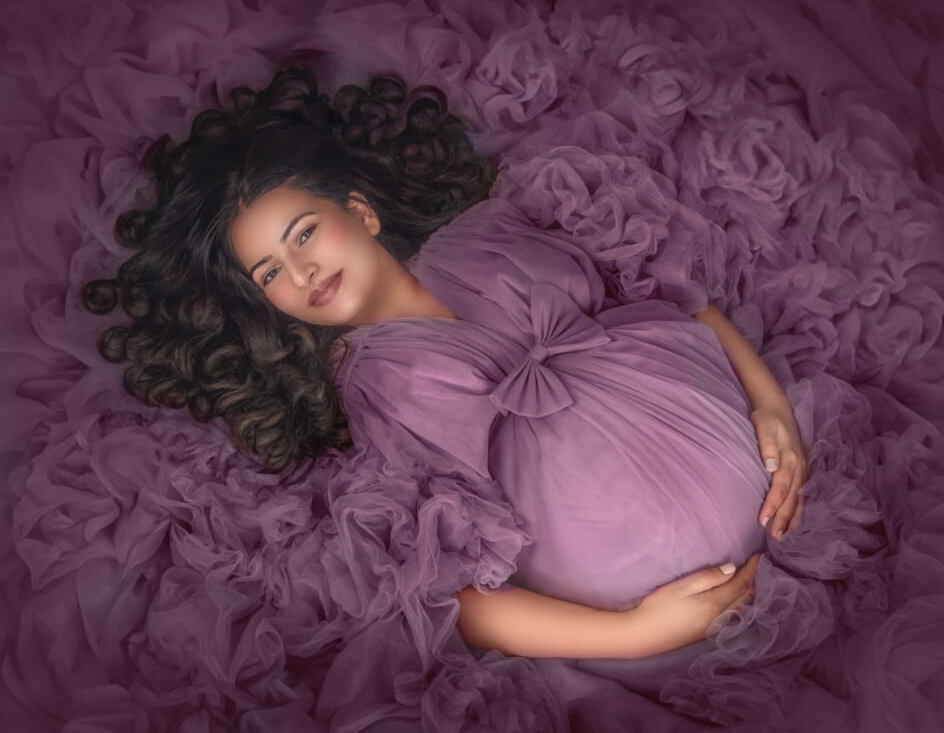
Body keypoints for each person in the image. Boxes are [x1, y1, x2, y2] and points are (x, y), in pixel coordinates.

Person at [83, 65, 808, 663]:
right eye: (272, 273)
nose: (302, 271)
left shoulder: (490, 230)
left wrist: (768, 402)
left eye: (305, 233)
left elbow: (669, 290)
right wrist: (634, 633)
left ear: (361, 214)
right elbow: (459, 590)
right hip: (656, 623)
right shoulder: (372, 385)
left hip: (765, 485)